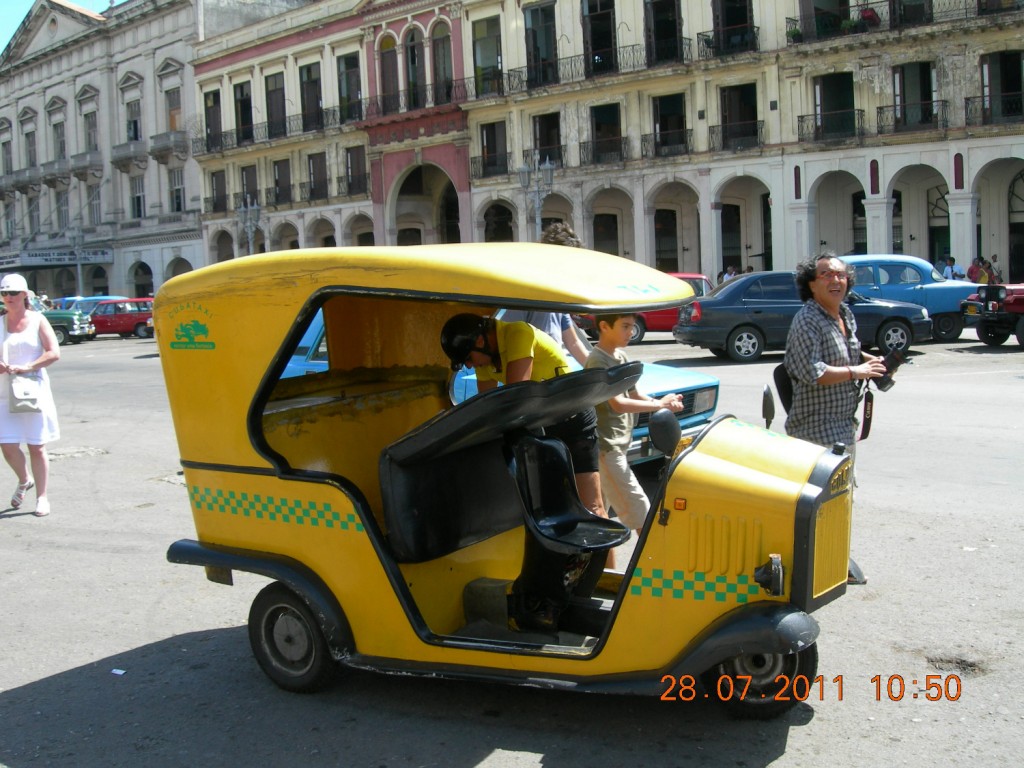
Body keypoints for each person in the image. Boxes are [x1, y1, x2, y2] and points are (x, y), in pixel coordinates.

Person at [439, 312, 605, 519]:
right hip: (543, 423)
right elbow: (486, 407)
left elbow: (516, 398)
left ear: (480, 341)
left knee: (592, 507)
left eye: (468, 359)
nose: (470, 366)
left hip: (573, 420)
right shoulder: (486, 356)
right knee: (554, 512)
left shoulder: (518, 333)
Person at [584, 313, 682, 546]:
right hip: (607, 450)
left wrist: (663, 402)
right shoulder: (598, 361)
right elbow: (618, 403)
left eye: (632, 326)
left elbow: (635, 394)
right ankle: (655, 569)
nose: (631, 332)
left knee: (601, 518)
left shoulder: (620, 355)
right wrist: (659, 404)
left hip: (618, 448)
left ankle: (602, 571)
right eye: (625, 326)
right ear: (604, 326)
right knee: (641, 511)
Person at [784, 253, 886, 454]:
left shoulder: (844, 315)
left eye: (840, 275)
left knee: (845, 485)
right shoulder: (807, 320)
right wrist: (856, 371)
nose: (836, 280)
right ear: (811, 284)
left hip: (844, 427)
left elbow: (849, 350)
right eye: (827, 275)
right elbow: (814, 372)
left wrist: (872, 362)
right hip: (815, 433)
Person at [0, 274, 60, 517]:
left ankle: (42, 497)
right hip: (4, 392)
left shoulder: (38, 320)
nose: (8, 297)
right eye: (4, 293)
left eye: (13, 292)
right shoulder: (0, 322)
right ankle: (25, 479)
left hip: (32, 392)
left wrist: (29, 366)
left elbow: (54, 352)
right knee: (7, 444)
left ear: (25, 295)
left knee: (37, 446)